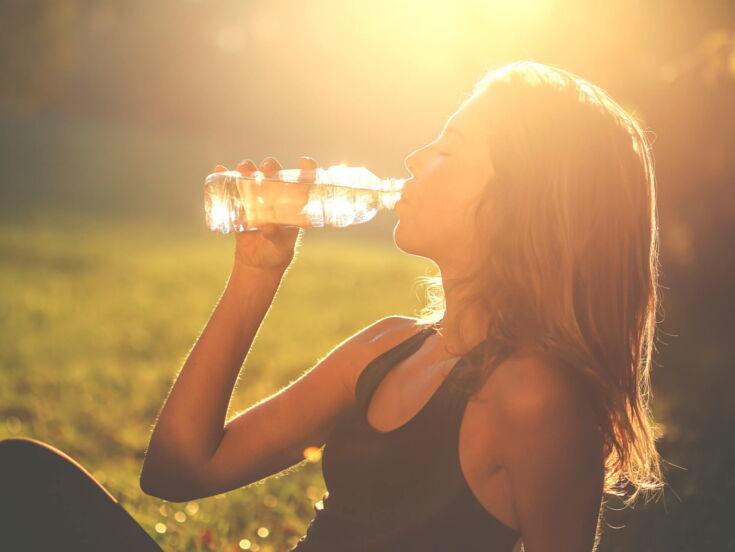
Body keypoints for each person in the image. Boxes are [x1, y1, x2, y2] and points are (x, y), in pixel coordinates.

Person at [0, 60, 664, 551]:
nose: (413, 157)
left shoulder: (531, 394)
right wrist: (255, 275)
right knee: (24, 475)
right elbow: (179, 470)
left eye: (447, 150)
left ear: (520, 205)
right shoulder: (387, 349)